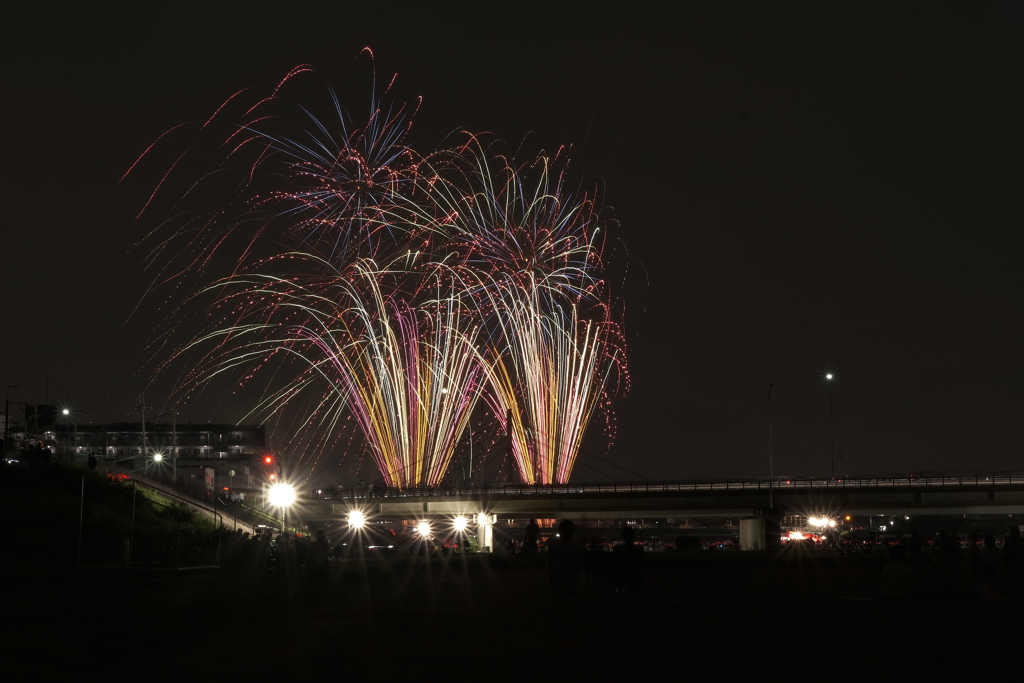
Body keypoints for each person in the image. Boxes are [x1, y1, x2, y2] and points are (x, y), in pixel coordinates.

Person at [547, 520, 582, 594]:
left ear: (559, 530)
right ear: (572, 531)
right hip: (571, 573)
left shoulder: (551, 543)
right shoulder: (578, 545)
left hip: (555, 573)